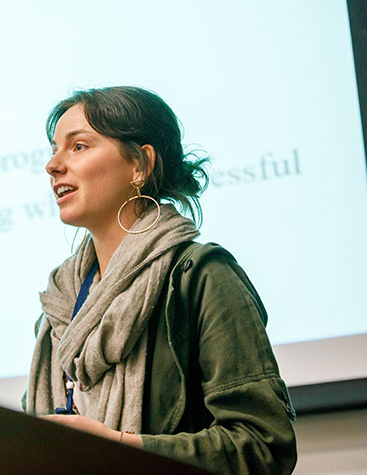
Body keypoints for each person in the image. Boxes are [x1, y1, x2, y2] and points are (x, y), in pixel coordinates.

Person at [23, 86, 297, 474]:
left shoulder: (200, 277)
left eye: (79, 146)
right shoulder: (60, 308)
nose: (53, 165)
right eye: (54, 149)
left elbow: (263, 445)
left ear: (140, 165)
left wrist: (119, 449)